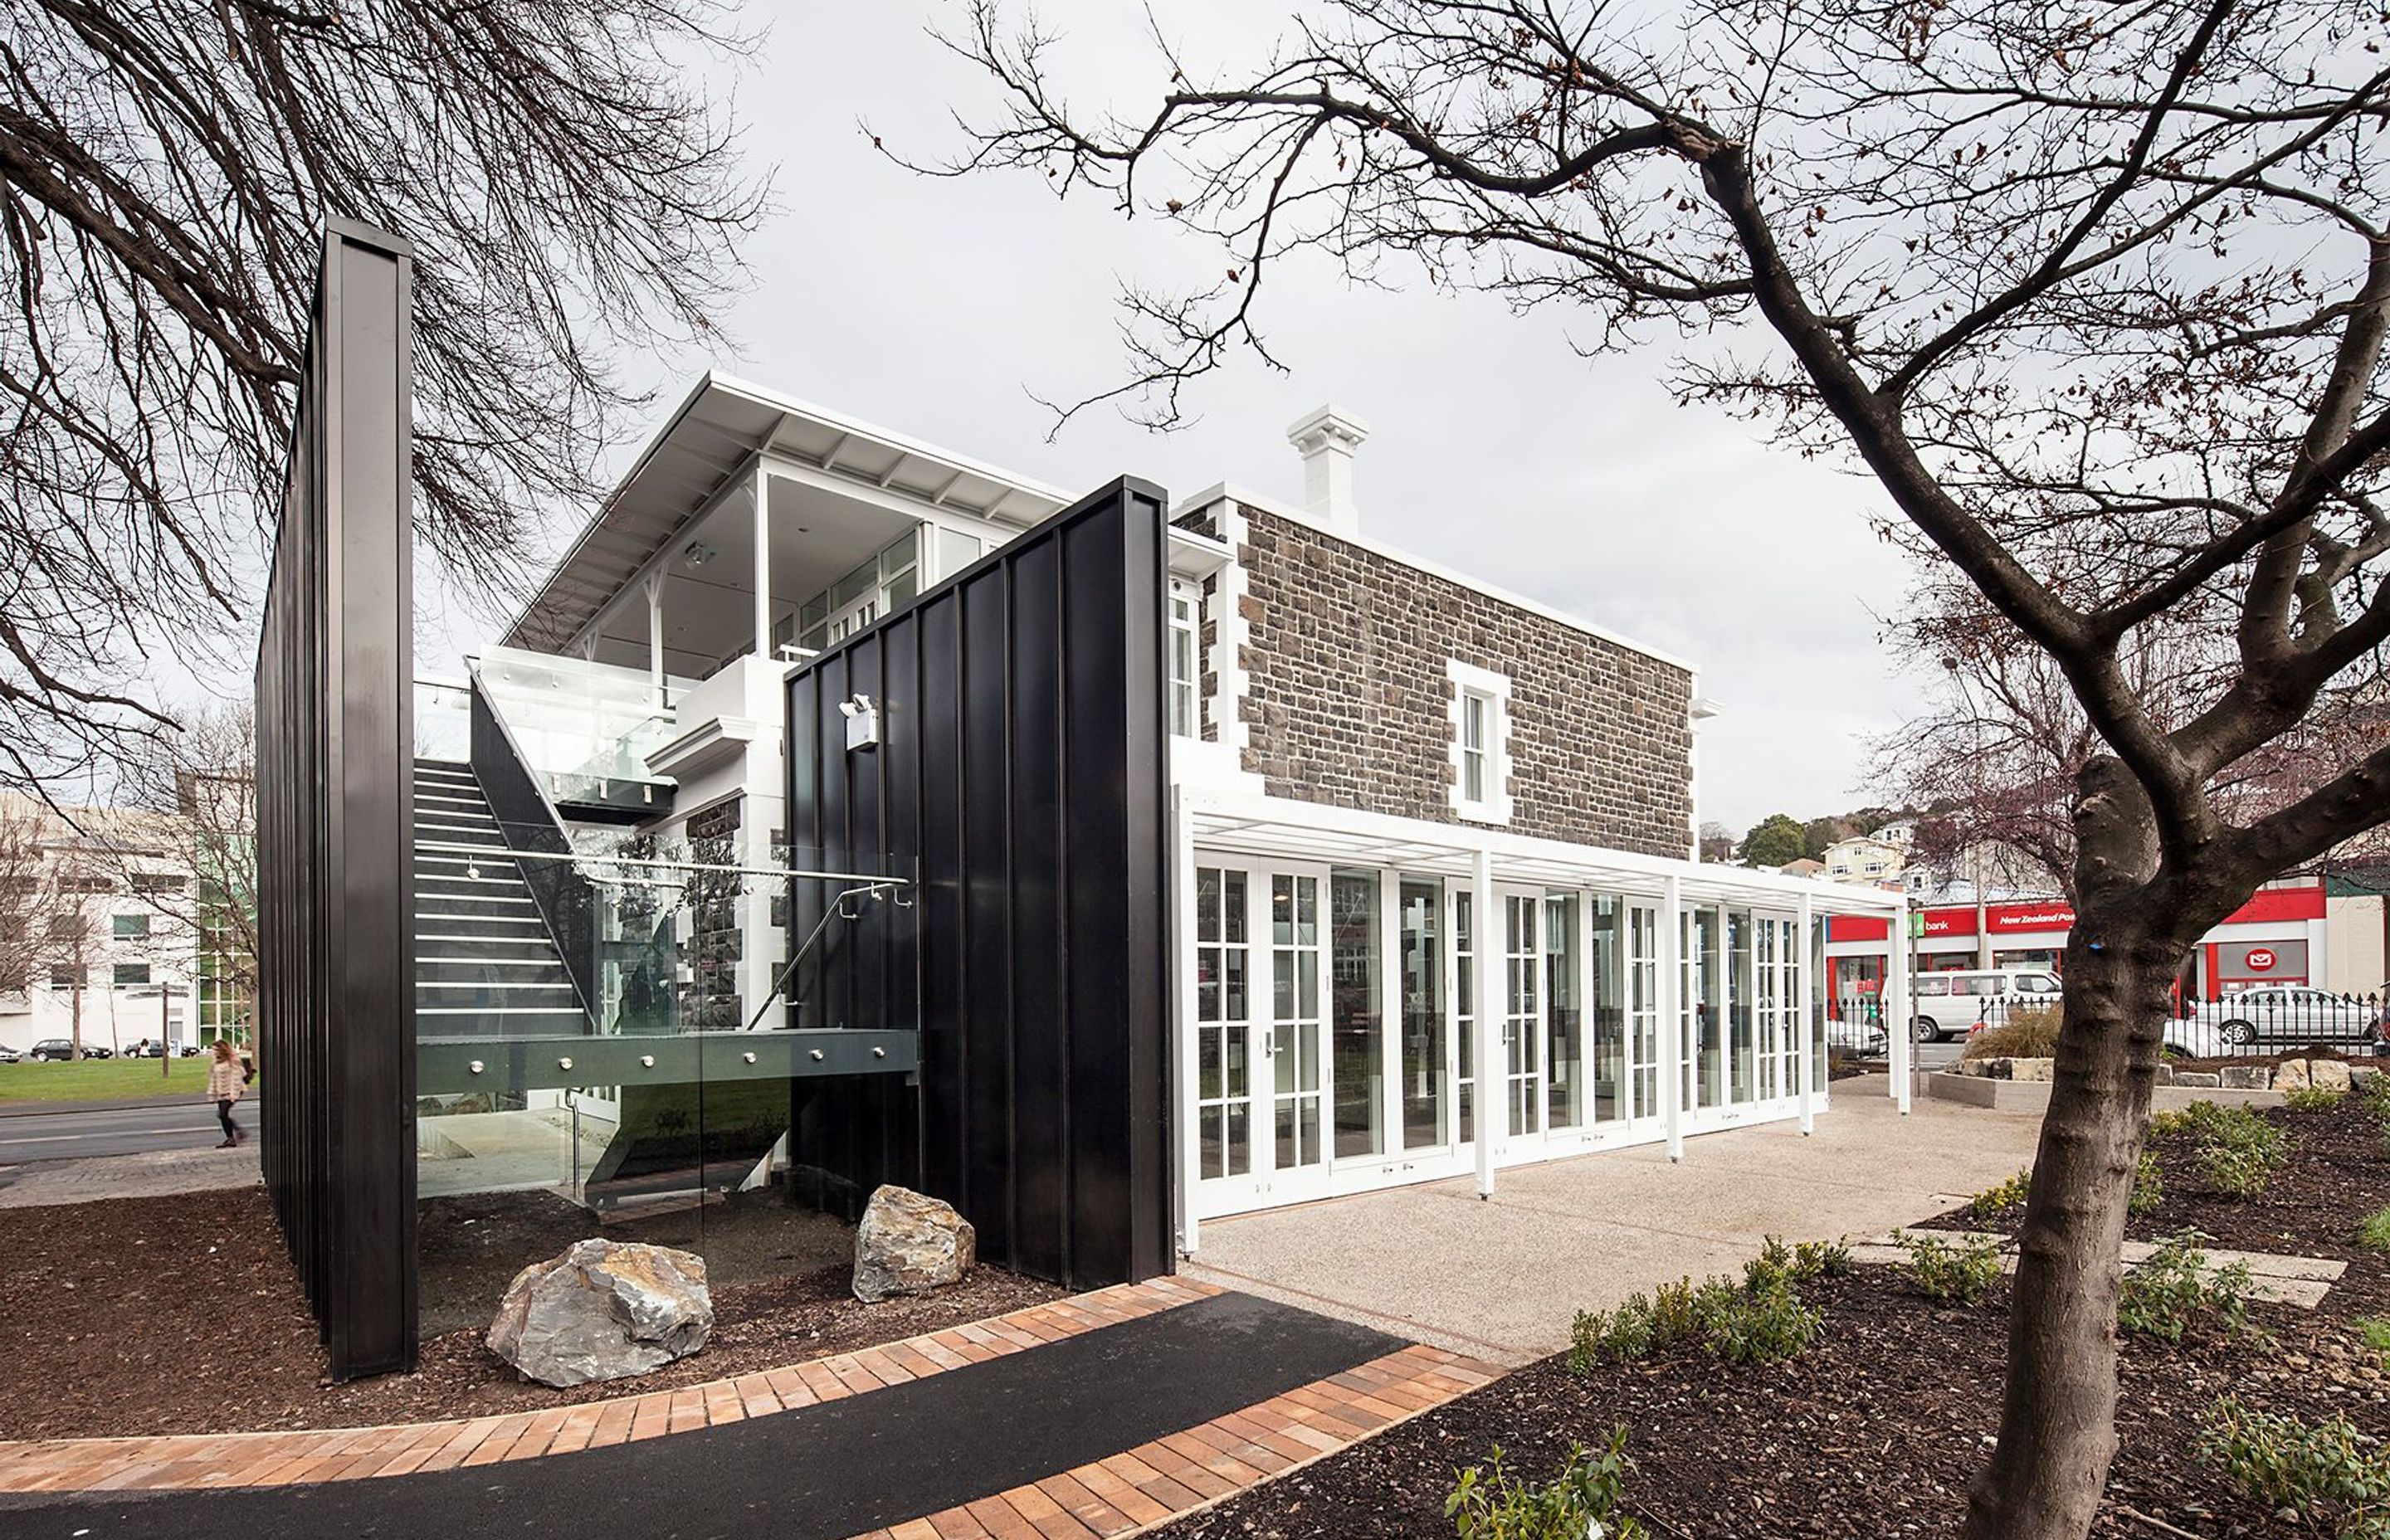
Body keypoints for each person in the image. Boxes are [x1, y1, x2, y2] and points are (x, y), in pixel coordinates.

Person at [207, 1040, 247, 1148]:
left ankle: (234, 1136)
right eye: (213, 1050)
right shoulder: (215, 1061)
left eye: (216, 1050)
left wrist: (234, 1095)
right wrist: (211, 1093)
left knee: (222, 1114)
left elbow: (236, 1079)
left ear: (222, 1049)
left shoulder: (233, 1061)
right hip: (222, 1092)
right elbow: (213, 1078)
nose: (214, 1052)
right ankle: (233, 1136)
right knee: (222, 1115)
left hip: (233, 1091)